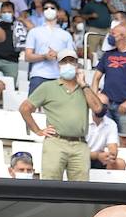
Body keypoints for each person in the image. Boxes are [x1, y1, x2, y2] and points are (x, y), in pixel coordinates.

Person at [20, 49, 102, 182]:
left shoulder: (85, 89)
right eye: (64, 61)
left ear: (77, 65)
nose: (68, 64)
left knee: (81, 190)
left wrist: (83, 84)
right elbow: (25, 108)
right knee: (51, 185)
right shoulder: (48, 87)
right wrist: (38, 130)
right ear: (58, 65)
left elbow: (98, 109)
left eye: (72, 61)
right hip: (56, 141)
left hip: (80, 144)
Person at [25, 0, 73, 93]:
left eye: (52, 8)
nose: (49, 10)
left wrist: (58, 55)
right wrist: (44, 56)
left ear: (58, 12)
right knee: (32, 106)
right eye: (46, 8)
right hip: (38, 75)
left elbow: (71, 59)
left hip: (59, 77)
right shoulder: (34, 32)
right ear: (43, 12)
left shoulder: (66, 35)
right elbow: (28, 56)